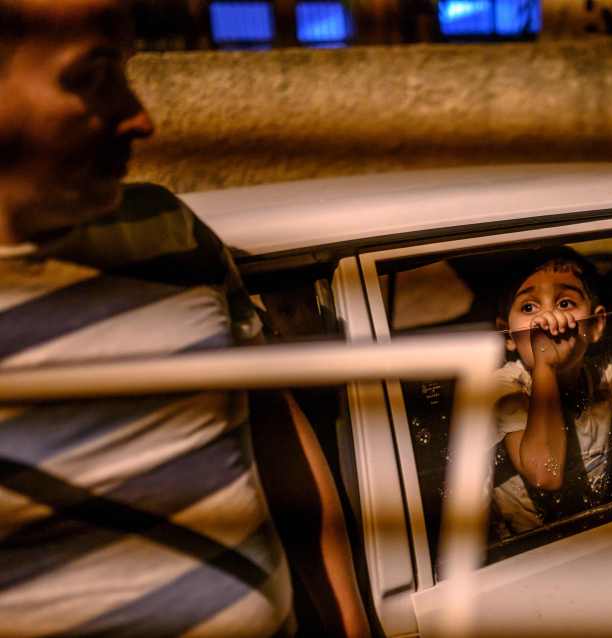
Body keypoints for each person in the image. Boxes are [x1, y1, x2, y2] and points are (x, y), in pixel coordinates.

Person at [0, 2, 370, 636]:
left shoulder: (169, 231)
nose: (141, 118)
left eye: (126, 68)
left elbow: (274, 438)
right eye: (91, 77)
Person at [490, 248, 612, 537]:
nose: (549, 317)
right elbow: (545, 474)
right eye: (529, 308)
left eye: (565, 302)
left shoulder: (605, 377)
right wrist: (545, 365)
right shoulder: (505, 387)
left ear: (596, 326)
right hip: (523, 550)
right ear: (507, 335)